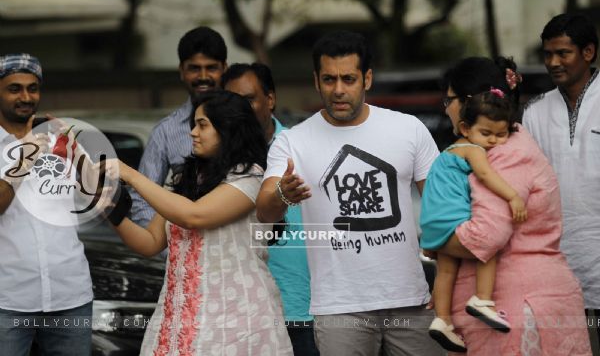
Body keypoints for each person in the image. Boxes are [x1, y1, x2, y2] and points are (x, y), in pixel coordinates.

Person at [256, 31, 443, 356]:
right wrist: (284, 195)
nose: (338, 89)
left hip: (411, 300)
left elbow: (441, 208)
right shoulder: (294, 141)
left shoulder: (408, 129)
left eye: (348, 78)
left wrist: (445, 278)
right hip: (338, 307)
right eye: (329, 79)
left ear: (366, 78)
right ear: (316, 80)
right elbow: (264, 210)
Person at [108, 90, 293, 355]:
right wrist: (109, 210)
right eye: (194, 124)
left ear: (228, 129)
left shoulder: (251, 178)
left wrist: (131, 174)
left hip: (239, 319)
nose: (193, 132)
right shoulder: (183, 179)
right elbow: (150, 243)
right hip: (179, 318)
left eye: (202, 125)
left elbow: (194, 216)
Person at [436, 56, 591, 355]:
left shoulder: (504, 154)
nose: (447, 109)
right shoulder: (498, 147)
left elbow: (487, 235)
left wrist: (437, 241)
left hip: (518, 307)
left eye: (450, 99)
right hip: (522, 305)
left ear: (470, 102)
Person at [421, 84, 527, 352]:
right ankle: (482, 299)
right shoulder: (473, 150)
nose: (492, 141)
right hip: (453, 223)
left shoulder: (449, 151)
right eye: (486, 133)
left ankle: (442, 321)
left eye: (500, 134)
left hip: (434, 226)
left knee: (446, 269)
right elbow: (486, 176)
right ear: (466, 129)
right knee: (487, 247)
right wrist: (513, 196)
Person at [222, 63, 318, 356]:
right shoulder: (215, 159)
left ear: (271, 100)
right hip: (237, 310)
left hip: (299, 308)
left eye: (249, 99)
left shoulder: (303, 147)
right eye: (232, 102)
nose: (241, 110)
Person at [0, 54, 93, 355]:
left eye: (33, 88)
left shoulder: (58, 138)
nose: (26, 97)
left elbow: (93, 197)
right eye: (14, 88)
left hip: (70, 294)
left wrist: (77, 153)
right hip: (8, 298)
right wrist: (24, 158)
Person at [522, 13, 600, 348]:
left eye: (563, 53)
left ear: (588, 52)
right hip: (557, 259)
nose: (553, 62)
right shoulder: (535, 111)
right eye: (548, 54)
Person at [130, 26, 227, 227]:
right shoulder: (165, 131)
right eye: (194, 68)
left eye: (211, 67)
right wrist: (174, 251)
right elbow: (141, 200)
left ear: (224, 69)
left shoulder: (244, 121)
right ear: (181, 71)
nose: (203, 76)